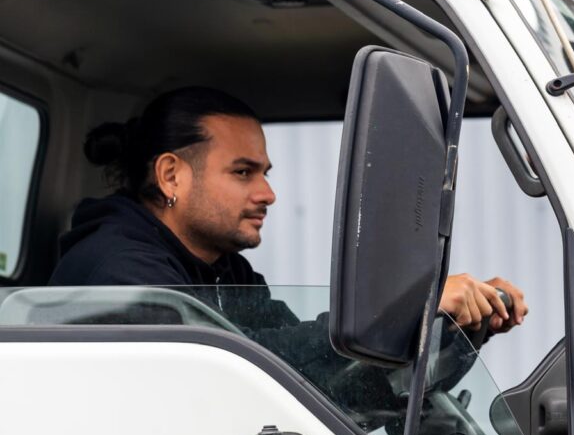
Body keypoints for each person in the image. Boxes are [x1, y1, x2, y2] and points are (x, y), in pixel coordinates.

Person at [49, 86, 528, 334]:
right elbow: (266, 364)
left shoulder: (223, 270)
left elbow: (302, 364)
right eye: (242, 172)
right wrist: (405, 312)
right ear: (172, 175)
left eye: (265, 173)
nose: (267, 194)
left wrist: (461, 321)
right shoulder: (118, 273)